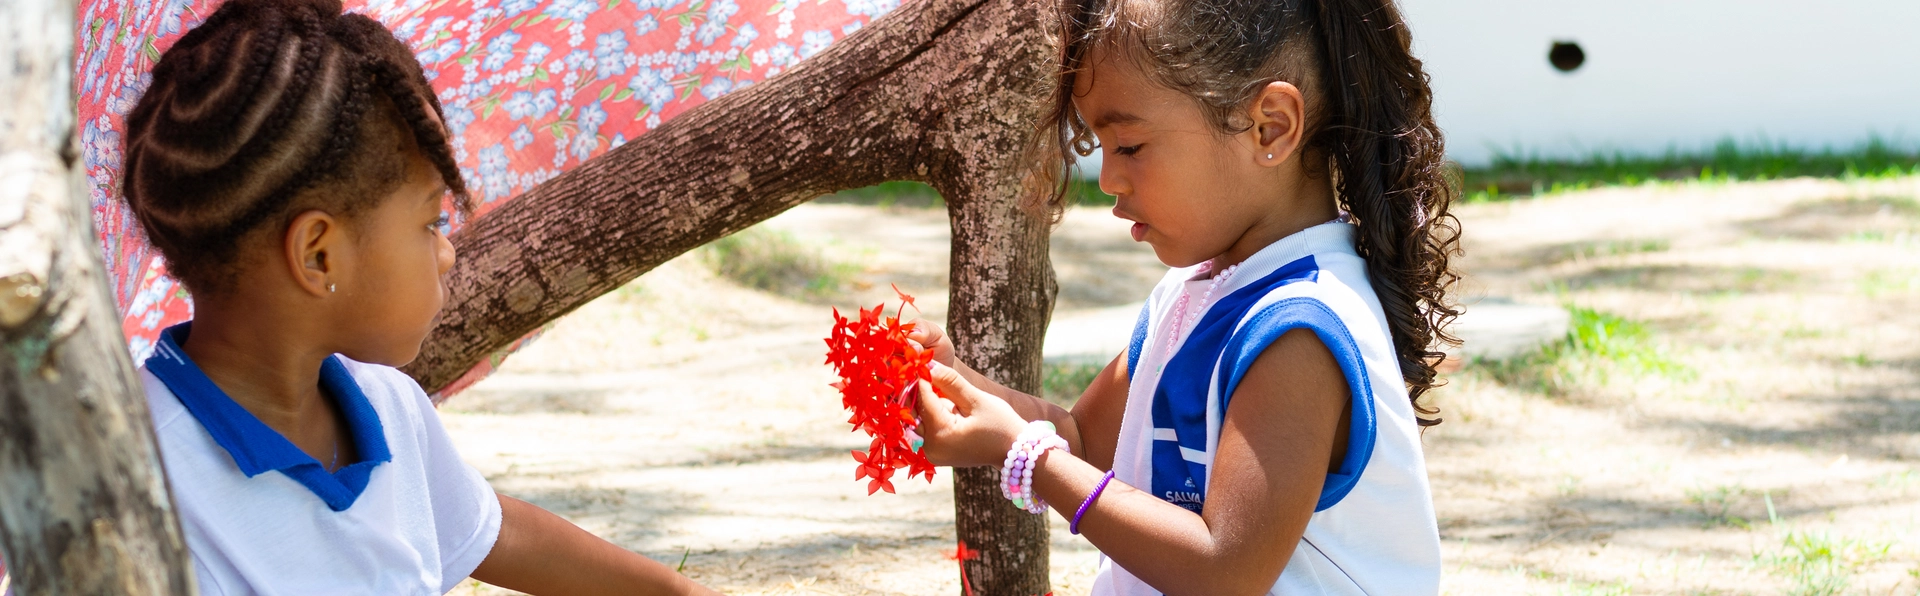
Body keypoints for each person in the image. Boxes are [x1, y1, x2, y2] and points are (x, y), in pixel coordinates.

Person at [119, 0, 717, 593]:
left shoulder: (386, 406)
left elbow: (492, 532)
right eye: (431, 221)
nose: (448, 250)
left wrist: (676, 590)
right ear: (318, 254)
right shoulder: (132, 488)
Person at [906, 0, 1460, 593]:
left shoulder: (1301, 329)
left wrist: (1030, 459)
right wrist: (956, 383)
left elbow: (1224, 568)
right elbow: (1086, 443)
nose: (1110, 180)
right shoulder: (1192, 294)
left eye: (1130, 146)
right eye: (1101, 146)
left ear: (1270, 127)